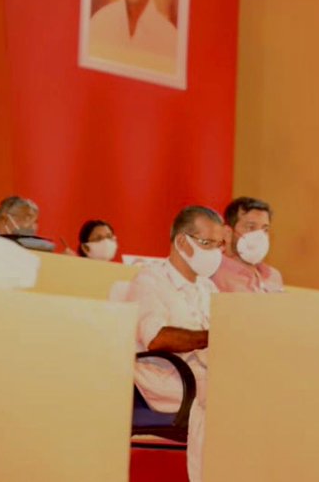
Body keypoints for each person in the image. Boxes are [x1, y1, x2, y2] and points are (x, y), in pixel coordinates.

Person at [126, 206, 224, 482]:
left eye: (219, 245)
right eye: (208, 243)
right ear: (183, 242)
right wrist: (212, 336)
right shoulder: (150, 279)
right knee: (235, 400)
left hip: (204, 374)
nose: (215, 252)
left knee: (255, 394)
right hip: (167, 378)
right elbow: (156, 337)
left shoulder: (209, 288)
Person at [211, 197, 283, 293]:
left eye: (265, 229)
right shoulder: (212, 275)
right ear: (227, 233)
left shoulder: (273, 276)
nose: (259, 236)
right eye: (250, 227)